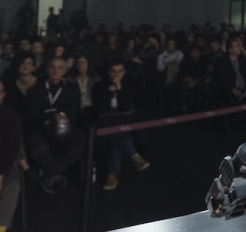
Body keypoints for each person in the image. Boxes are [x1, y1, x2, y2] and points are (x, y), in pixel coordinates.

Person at [25, 57, 85, 194]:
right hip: (42, 126)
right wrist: (52, 117)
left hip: (65, 126)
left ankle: (47, 171)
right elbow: (34, 113)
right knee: (37, 147)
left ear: (64, 71)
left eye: (59, 67)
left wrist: (63, 116)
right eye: (52, 67)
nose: (55, 70)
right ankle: (56, 173)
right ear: (47, 69)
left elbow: (75, 109)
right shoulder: (36, 89)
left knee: (82, 140)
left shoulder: (72, 88)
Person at [92, 61, 149, 191]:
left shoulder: (129, 85)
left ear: (124, 72)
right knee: (116, 130)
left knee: (116, 133)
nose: (116, 74)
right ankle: (135, 157)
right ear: (108, 72)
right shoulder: (98, 86)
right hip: (106, 120)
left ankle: (113, 175)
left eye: (119, 71)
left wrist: (119, 88)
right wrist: (109, 91)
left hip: (125, 119)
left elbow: (126, 105)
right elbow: (98, 107)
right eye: (113, 71)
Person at [0, 79, 22, 232]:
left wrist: (0, 175)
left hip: (3, 163)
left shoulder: (10, 115)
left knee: (12, 185)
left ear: (2, 95)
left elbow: (11, 148)